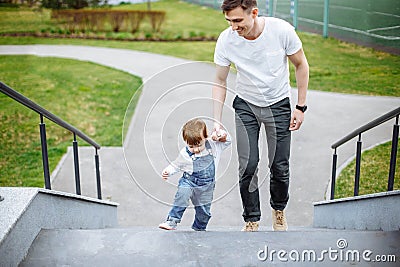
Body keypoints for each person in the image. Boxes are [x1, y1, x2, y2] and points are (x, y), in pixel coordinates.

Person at [212, 0, 309, 231]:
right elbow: (219, 79)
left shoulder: (281, 31)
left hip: (278, 105)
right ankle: (252, 219)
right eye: (229, 21)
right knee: (248, 165)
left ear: (253, 13)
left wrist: (301, 106)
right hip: (246, 106)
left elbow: (301, 65)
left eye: (238, 20)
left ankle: (278, 209)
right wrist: (216, 122)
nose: (234, 27)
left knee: (279, 166)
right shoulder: (226, 40)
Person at [159, 118, 231, 231]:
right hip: (189, 181)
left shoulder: (213, 146)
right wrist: (168, 171)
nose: (196, 149)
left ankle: (199, 228)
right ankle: (172, 221)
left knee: (203, 211)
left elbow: (227, 141)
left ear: (205, 137)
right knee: (181, 196)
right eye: (191, 146)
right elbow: (177, 165)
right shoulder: (185, 153)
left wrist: (222, 135)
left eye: (198, 145)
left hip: (207, 186)